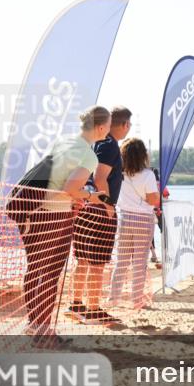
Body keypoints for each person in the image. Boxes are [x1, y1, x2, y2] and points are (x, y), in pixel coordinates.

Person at [20, 106, 110, 347]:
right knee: (50, 275)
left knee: (34, 269)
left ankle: (34, 324)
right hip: (55, 216)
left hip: (34, 211)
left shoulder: (64, 141)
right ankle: (44, 331)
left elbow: (52, 177)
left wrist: (79, 194)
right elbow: (69, 188)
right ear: (101, 127)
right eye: (108, 126)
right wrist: (91, 196)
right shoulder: (89, 156)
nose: (109, 131)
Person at [70, 107, 131, 325]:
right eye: (129, 125)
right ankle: (93, 308)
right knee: (97, 262)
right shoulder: (109, 145)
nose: (129, 129)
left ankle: (77, 304)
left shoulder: (96, 142)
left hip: (85, 205)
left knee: (84, 259)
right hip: (97, 207)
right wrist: (108, 205)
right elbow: (99, 177)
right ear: (124, 125)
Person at [110, 138, 160, 307]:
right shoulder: (148, 175)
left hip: (124, 217)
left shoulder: (120, 174)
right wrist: (150, 197)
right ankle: (136, 300)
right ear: (142, 155)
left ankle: (114, 298)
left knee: (122, 260)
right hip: (143, 219)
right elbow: (154, 200)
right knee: (139, 262)